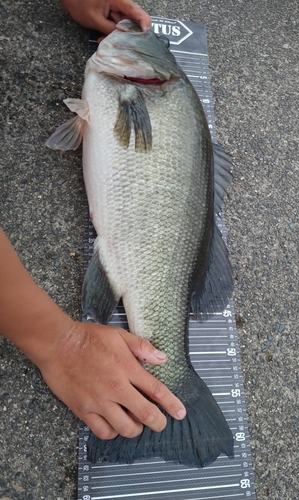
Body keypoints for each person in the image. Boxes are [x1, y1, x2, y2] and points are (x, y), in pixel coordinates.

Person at [0, 0, 186, 443]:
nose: (130, 29)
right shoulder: (133, 86)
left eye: (144, 42)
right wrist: (58, 342)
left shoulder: (140, 87)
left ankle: (173, 383)